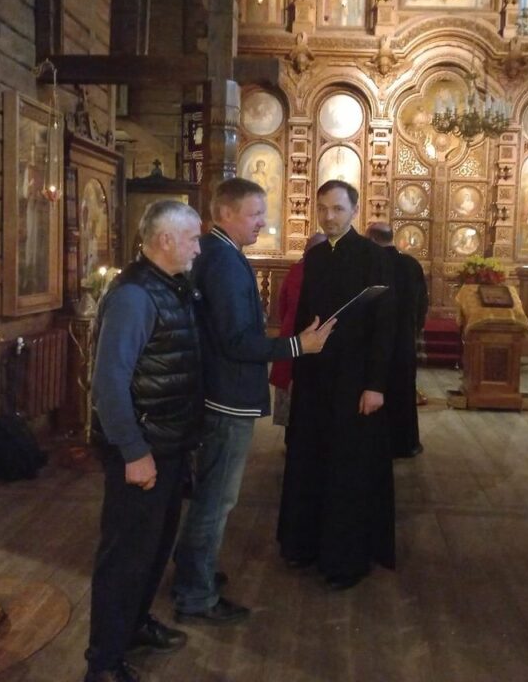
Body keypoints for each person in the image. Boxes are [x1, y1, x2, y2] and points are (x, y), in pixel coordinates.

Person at [172, 178, 334, 625]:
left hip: (220, 391)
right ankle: (195, 593)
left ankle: (194, 571)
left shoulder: (220, 253)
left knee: (211, 496)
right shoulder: (224, 261)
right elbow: (237, 340)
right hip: (226, 396)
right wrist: (298, 346)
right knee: (216, 499)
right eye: (255, 213)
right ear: (225, 214)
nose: (262, 221)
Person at [84, 200, 204, 682]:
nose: (198, 248)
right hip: (142, 448)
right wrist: (134, 452)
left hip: (168, 443)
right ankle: (103, 663)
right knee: (126, 557)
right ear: (165, 240)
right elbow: (108, 382)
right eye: (193, 238)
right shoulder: (134, 295)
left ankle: (132, 627)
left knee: (152, 550)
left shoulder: (169, 286)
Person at [277, 180, 396, 590]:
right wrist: (295, 370)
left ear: (355, 211)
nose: (329, 217)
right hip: (314, 378)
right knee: (309, 458)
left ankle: (345, 560)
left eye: (338, 209)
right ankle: (304, 544)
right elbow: (302, 319)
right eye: (323, 209)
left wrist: (375, 384)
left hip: (354, 381)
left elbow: (385, 325)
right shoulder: (314, 256)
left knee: (347, 468)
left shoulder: (372, 257)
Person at [366, 222, 428, 458]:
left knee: (376, 387)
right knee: (403, 391)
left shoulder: (372, 263)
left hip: (374, 340)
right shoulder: (411, 264)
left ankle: (375, 445)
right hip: (404, 340)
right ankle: (406, 443)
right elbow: (422, 303)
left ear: (372, 239)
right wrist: (413, 329)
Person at [270, 232, 328, 428]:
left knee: (291, 404)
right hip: (315, 341)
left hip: (290, 337)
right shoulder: (328, 273)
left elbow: (282, 305)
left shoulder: (295, 270)